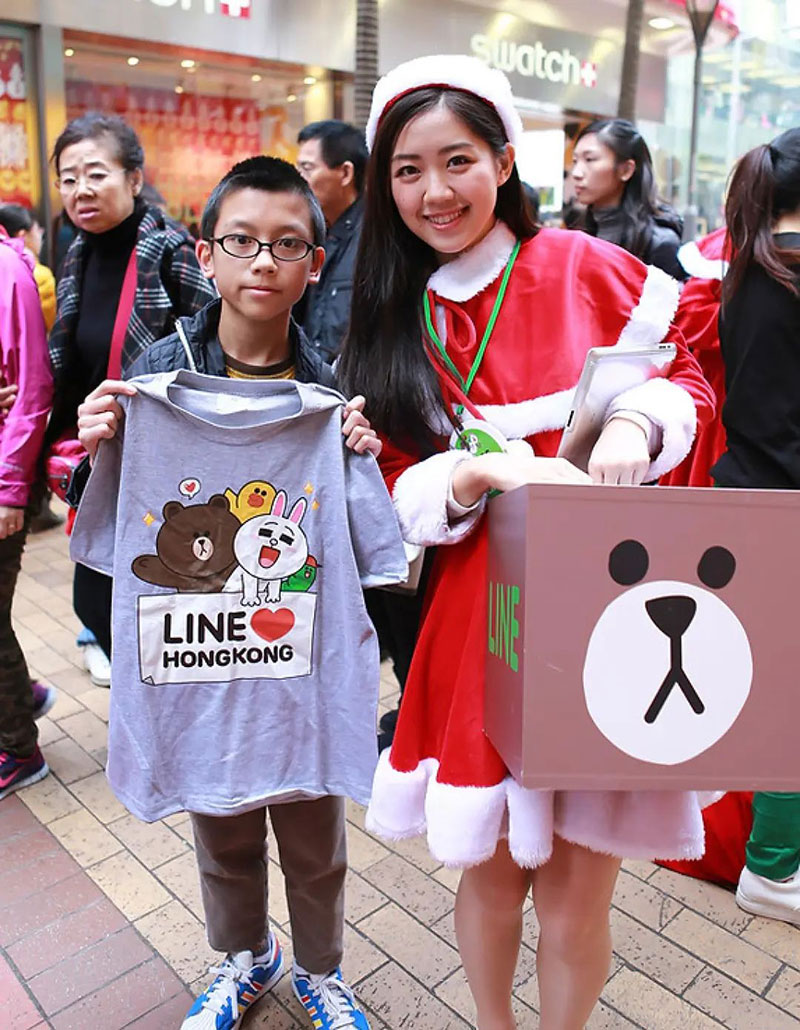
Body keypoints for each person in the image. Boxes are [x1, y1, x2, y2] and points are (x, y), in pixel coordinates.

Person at [338, 55, 715, 1030]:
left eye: (456, 161)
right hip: (478, 613)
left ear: (503, 161)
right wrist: (470, 477)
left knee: (579, 890)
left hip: (603, 604)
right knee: (493, 871)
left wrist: (636, 421)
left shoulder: (588, 266)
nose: (434, 191)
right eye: (407, 170)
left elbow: (683, 377)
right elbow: (388, 487)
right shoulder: (393, 316)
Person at [76, 156, 387, 1030]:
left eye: (287, 245)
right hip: (198, 668)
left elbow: (375, 548)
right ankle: (246, 958)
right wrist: (95, 444)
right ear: (205, 255)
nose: (263, 261)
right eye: (242, 240)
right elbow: (105, 534)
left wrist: (361, 451)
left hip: (298, 673)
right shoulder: (154, 376)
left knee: (315, 840)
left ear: (314, 264)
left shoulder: (328, 390)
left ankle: (321, 971)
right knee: (221, 827)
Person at [47, 112, 215, 683]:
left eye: (96, 174)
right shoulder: (77, 254)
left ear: (135, 179)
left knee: (156, 598)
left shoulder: (170, 251)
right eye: (68, 178)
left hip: (164, 461)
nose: (81, 189)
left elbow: (214, 347)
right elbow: (71, 356)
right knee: (98, 599)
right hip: (102, 458)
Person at [709, 129, 800, 928]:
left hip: (755, 504)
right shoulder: (785, 276)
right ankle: (773, 866)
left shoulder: (754, 268)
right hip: (781, 510)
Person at [0, 226, 57, 799]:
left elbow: (31, 389)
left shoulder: (8, 273)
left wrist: (10, 490)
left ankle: (17, 747)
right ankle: (22, 697)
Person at [572, 118, 687, 280]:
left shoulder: (659, 243)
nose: (576, 173)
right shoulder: (581, 233)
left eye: (590, 159)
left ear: (626, 170)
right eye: (575, 161)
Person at [295, 120, 368, 361]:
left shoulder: (374, 238)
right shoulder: (316, 232)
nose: (299, 180)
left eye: (307, 169)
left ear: (345, 173)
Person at [0, 204, 56, 331]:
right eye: (37, 230)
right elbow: (50, 324)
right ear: (23, 235)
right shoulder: (40, 275)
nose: (40, 236)